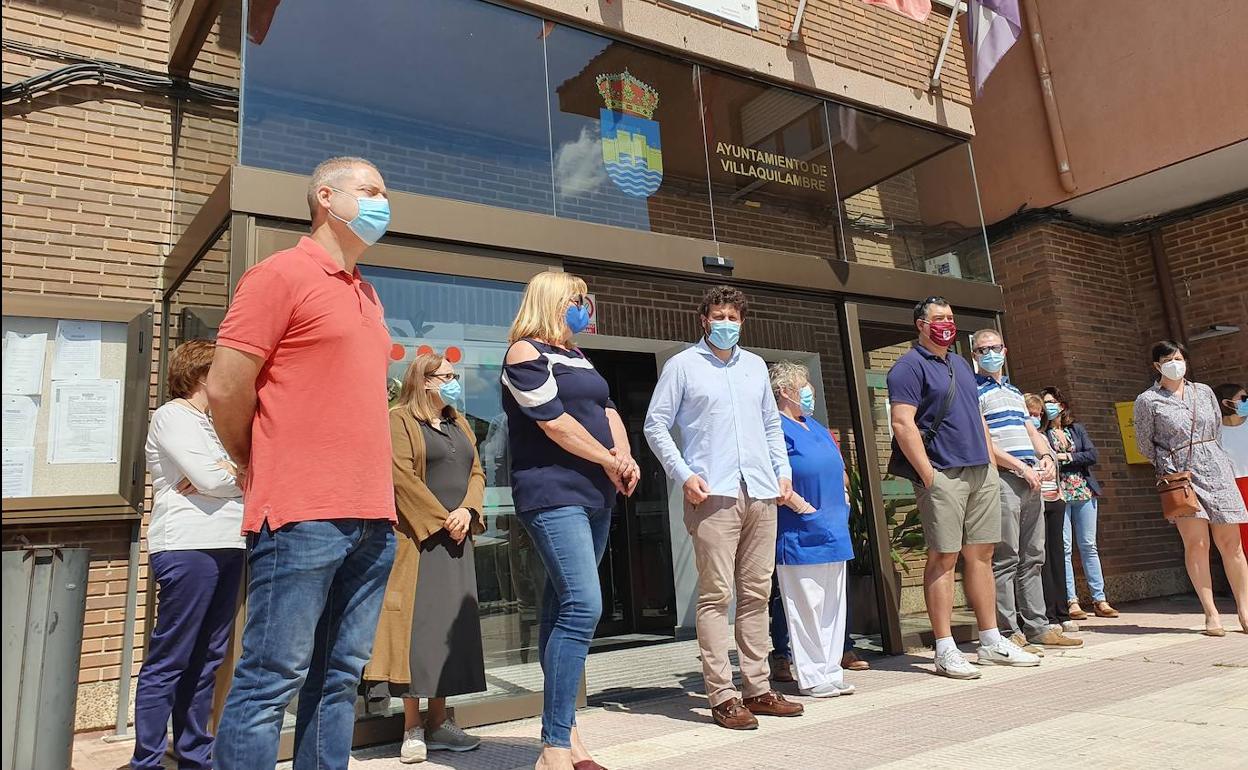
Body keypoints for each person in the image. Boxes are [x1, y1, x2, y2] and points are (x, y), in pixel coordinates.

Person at [208, 157, 398, 769]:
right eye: (369, 190)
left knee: (339, 679)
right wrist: (250, 457)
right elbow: (226, 387)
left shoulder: (367, 292)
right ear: (325, 196)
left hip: (372, 516)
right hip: (300, 515)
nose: (382, 202)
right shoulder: (278, 275)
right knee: (269, 681)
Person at [644, 285, 804, 730]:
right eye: (718, 316)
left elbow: (772, 426)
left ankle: (758, 687)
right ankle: (722, 695)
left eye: (733, 317)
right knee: (717, 596)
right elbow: (655, 424)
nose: (726, 324)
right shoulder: (682, 366)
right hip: (711, 493)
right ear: (704, 320)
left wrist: (782, 472)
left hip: (761, 492)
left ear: (742, 321)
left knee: (756, 593)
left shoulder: (755, 367)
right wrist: (683, 474)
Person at [501, 271, 640, 770]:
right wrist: (609, 459)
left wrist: (623, 456)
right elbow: (553, 422)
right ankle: (555, 746)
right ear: (554, 302)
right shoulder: (524, 354)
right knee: (584, 606)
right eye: (578, 300)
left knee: (563, 610)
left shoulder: (577, 356)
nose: (586, 307)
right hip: (552, 494)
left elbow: (606, 408)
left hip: (596, 495)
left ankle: (567, 739)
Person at [887, 297, 1040, 680]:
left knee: (983, 554)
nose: (946, 324)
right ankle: (944, 648)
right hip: (943, 474)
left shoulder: (960, 364)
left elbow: (978, 418)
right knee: (944, 556)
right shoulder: (907, 368)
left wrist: (991, 461)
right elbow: (903, 424)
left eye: (951, 318)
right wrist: (928, 475)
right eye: (938, 319)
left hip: (980, 471)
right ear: (921, 324)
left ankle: (991, 641)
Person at [365, 353, 487, 763]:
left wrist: (468, 511)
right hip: (420, 539)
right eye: (446, 376)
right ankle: (412, 726)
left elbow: (477, 472)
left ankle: (439, 721)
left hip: (458, 537)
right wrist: (440, 519)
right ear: (424, 379)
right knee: (418, 630)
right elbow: (400, 475)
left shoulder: (459, 421)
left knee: (449, 631)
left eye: (454, 375)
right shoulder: (399, 420)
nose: (453, 381)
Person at [130, 340, 244, 770]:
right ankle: (148, 760)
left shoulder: (218, 423)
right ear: (201, 376)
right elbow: (209, 477)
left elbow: (244, 472)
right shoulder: (172, 415)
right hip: (187, 546)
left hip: (230, 542)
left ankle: (195, 755)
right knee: (172, 656)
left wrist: (234, 474)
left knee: (208, 658)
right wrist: (235, 475)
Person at [971, 331, 1079, 653]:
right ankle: (1008, 631)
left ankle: (1038, 626)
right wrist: (1020, 467)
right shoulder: (975, 392)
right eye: (982, 349)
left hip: (1032, 479)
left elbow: (1031, 430)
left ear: (1005, 350)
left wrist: (1046, 457)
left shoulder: (1015, 392)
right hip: (1005, 478)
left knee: (1034, 556)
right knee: (1006, 558)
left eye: (994, 347)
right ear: (974, 355)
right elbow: (985, 441)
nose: (990, 353)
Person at [1133, 342, 1248, 636]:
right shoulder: (1148, 400)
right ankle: (1211, 613)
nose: (1176, 363)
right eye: (1168, 359)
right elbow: (1145, 444)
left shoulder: (1204, 391)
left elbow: (1218, 430)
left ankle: (1245, 610)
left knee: (1231, 544)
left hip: (1217, 466)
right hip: (1180, 474)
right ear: (1157, 366)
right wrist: (1168, 465)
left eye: (1179, 358)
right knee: (1196, 544)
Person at [768, 362, 856, 697]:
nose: (810, 393)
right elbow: (775, 477)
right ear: (785, 391)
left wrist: (845, 496)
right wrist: (804, 509)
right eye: (804, 386)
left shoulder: (815, 426)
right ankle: (812, 675)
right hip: (800, 529)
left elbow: (838, 466)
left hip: (834, 527)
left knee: (833, 605)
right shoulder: (774, 427)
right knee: (806, 606)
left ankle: (831, 670)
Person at [1040, 386, 1118, 621]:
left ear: (1062, 405)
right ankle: (1071, 601)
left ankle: (1100, 599)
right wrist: (1070, 458)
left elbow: (1092, 455)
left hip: (1083, 490)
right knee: (1063, 548)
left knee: (1088, 545)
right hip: (1059, 493)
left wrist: (1065, 457)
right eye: (1045, 403)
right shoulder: (1040, 432)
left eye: (1052, 401)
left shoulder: (1076, 429)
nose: (1049, 406)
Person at [1025, 393, 1078, 633]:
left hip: (1055, 499)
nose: (1036, 418)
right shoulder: (1022, 438)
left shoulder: (1044, 439)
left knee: (1058, 556)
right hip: (1036, 501)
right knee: (1041, 558)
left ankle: (1062, 611)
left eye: (1038, 414)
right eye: (1031, 414)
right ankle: (1048, 614)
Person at [1213, 382, 1248, 557]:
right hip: (1234, 488)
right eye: (1243, 398)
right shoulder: (1216, 433)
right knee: (1243, 537)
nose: (1246, 401)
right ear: (1226, 403)